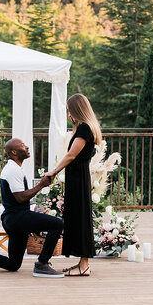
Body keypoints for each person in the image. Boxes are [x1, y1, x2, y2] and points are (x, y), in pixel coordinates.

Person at [0, 138, 64, 278]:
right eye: (22, 145)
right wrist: (41, 185)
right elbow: (20, 198)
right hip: (18, 218)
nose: (27, 147)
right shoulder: (12, 170)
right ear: (14, 152)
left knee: (13, 264)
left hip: (14, 219)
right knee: (57, 224)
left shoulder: (14, 168)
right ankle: (42, 264)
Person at [44, 94, 102, 276]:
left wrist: (53, 172)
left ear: (76, 110)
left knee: (81, 220)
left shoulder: (84, 128)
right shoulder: (84, 127)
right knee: (77, 218)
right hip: (77, 177)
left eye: (70, 111)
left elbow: (71, 155)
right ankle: (81, 263)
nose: (69, 114)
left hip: (78, 179)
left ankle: (84, 266)